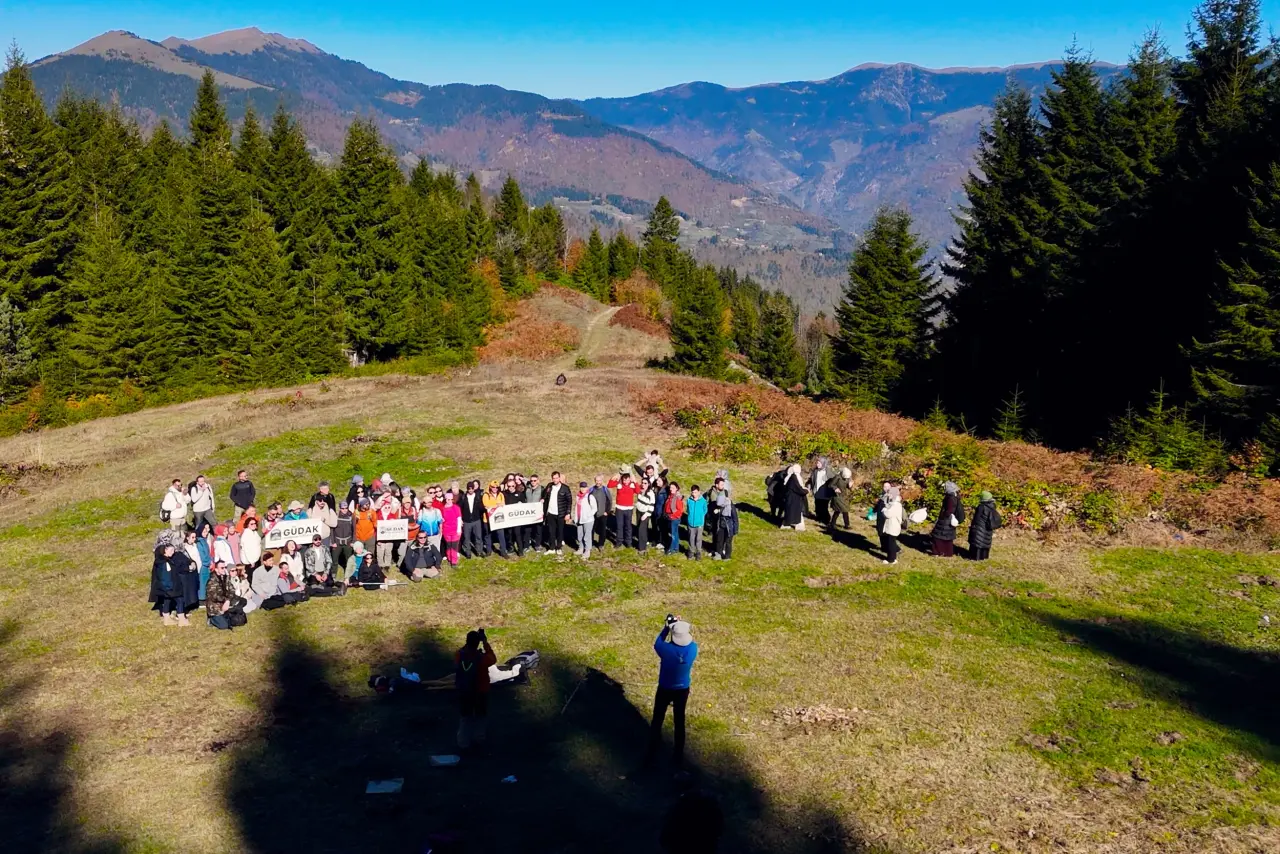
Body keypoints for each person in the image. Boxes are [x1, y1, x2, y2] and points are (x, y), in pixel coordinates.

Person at [646, 614, 698, 770]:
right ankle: (678, 754)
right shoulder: (693, 648)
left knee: (658, 718)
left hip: (665, 688)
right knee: (679, 720)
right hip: (682, 689)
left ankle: (653, 748)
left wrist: (667, 627)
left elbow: (657, 642)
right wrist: (676, 625)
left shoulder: (666, 649)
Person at [455, 628, 499, 754]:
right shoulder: (482, 659)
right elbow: (493, 658)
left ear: (466, 641)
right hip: (481, 692)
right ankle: (478, 740)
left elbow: (460, 653)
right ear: (478, 643)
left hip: (465, 692)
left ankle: (462, 743)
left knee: (465, 718)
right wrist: (485, 642)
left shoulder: (459, 655)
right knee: (480, 716)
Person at [149, 544, 188, 627]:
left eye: (173, 550)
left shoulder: (160, 561)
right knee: (180, 600)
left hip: (165, 588)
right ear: (165, 551)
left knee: (167, 600)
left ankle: (167, 619)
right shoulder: (165, 562)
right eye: (171, 551)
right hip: (170, 587)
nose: (173, 552)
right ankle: (182, 620)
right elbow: (166, 577)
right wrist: (170, 588)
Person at [204, 560, 248, 629]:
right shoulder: (212, 581)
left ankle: (230, 612)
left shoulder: (226, 577)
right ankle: (211, 619)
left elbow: (232, 590)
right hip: (216, 606)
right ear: (216, 569)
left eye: (225, 567)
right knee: (224, 626)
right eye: (222, 568)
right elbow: (214, 597)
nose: (224, 569)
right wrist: (226, 601)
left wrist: (228, 600)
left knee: (243, 601)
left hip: (226, 602)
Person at [931, 481, 964, 557]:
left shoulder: (950, 498)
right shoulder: (954, 496)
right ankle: (948, 553)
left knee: (937, 536)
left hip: (946, 520)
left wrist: (943, 516)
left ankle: (938, 552)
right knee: (947, 538)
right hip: (949, 519)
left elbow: (949, 510)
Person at [543, 471, 572, 556]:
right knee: (551, 531)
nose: (555, 480)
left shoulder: (565, 488)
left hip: (560, 513)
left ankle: (558, 548)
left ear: (559, 478)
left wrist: (568, 513)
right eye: (553, 478)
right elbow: (545, 495)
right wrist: (543, 499)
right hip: (550, 513)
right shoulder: (549, 486)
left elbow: (569, 501)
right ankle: (552, 548)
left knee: (560, 531)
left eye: (556, 478)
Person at [608, 470, 638, 549]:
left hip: (629, 509)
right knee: (619, 526)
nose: (626, 481)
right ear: (622, 479)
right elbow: (609, 484)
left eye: (627, 479)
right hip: (619, 509)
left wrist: (634, 481)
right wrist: (619, 473)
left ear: (630, 479)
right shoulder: (619, 484)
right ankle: (619, 542)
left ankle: (628, 542)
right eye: (624, 479)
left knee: (628, 526)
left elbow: (638, 491)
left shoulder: (632, 485)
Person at [968, 491, 1002, 560]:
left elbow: (976, 519)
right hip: (987, 528)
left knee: (978, 541)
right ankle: (984, 556)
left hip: (980, 528)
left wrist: (973, 527)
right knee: (985, 541)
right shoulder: (992, 506)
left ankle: (976, 557)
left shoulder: (981, 507)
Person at [460, 481, 488, 559]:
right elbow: (459, 509)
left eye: (472, 488)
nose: (471, 490)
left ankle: (479, 551)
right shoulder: (463, 497)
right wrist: (461, 519)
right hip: (466, 521)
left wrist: (485, 508)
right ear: (467, 489)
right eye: (469, 489)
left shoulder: (478, 497)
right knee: (466, 537)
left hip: (477, 520)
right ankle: (468, 552)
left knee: (478, 536)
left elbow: (481, 507)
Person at [482, 480, 509, 559]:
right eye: (493, 487)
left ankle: (503, 552)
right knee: (487, 535)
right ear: (490, 487)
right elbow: (486, 505)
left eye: (496, 487)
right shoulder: (486, 495)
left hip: (498, 519)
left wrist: (498, 505)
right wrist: (497, 505)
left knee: (501, 535)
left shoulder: (501, 495)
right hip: (487, 519)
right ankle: (488, 550)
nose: (495, 488)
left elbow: (503, 504)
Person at [712, 478, 737, 560]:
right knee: (719, 539)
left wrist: (735, 529)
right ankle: (718, 554)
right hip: (721, 523)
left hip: (728, 525)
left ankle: (727, 556)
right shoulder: (717, 498)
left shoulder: (730, 505)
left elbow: (735, 518)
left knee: (728, 541)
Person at [573, 481, 598, 559]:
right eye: (581, 487)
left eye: (584, 487)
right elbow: (576, 507)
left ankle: (587, 551)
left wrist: (589, 515)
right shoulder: (578, 496)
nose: (583, 489)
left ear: (587, 488)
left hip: (588, 520)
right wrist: (575, 517)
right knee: (580, 535)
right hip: (579, 519)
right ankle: (581, 548)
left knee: (587, 536)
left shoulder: (590, 496)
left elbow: (594, 508)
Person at [880, 486, 904, 566]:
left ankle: (892, 559)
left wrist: (884, 510)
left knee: (891, 544)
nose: (888, 495)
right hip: (891, 526)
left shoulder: (896, 505)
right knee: (890, 542)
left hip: (893, 527)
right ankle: (890, 557)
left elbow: (888, 514)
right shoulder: (893, 503)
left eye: (890, 493)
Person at [192, 521, 214, 605]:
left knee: (206, 581)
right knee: (203, 583)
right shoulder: (199, 542)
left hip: (207, 564)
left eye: (206, 531)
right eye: (204, 532)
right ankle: (201, 600)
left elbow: (208, 553)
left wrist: (211, 560)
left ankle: (205, 597)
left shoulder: (203, 541)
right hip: (204, 566)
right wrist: (208, 562)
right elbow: (203, 555)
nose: (206, 533)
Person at [522, 474, 544, 555]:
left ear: (538, 480)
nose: (533, 482)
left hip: (538, 513)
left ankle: (537, 545)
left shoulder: (542, 489)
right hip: (528, 513)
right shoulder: (527, 489)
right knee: (527, 530)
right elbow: (524, 498)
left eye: (535, 480)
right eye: (531, 480)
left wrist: (543, 500)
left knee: (538, 530)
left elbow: (545, 498)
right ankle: (526, 546)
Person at [588, 475, 612, 551]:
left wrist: (607, 511)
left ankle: (601, 544)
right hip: (593, 514)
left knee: (602, 530)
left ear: (602, 481)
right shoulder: (591, 490)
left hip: (603, 513)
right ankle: (590, 544)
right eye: (596, 481)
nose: (598, 482)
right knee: (591, 529)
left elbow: (609, 501)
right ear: (595, 481)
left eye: (599, 480)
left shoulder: (605, 490)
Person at [782, 463, 808, 531]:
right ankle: (798, 526)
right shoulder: (794, 477)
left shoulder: (792, 476)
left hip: (792, 498)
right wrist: (805, 491)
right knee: (796, 513)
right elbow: (798, 488)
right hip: (794, 499)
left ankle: (786, 524)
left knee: (790, 513)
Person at [685, 485, 707, 560]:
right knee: (691, 538)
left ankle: (698, 552)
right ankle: (691, 551)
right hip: (691, 523)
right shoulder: (689, 500)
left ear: (699, 492)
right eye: (692, 492)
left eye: (695, 492)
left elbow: (705, 510)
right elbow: (687, 510)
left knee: (698, 539)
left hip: (699, 524)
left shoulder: (703, 501)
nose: (694, 494)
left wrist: (701, 517)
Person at [635, 479, 657, 554]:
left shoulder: (651, 493)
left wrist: (646, 514)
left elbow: (651, 506)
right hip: (638, 511)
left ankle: (642, 549)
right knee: (639, 528)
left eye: (645, 483)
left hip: (645, 513)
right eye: (642, 483)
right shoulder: (640, 491)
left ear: (648, 484)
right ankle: (643, 543)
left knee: (642, 529)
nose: (643, 484)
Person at [441, 490, 463, 567]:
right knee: (448, 545)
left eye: (451, 499)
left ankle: (454, 561)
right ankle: (449, 557)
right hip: (446, 531)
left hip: (455, 531)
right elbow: (442, 519)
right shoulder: (443, 509)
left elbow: (459, 519)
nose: (449, 501)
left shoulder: (456, 508)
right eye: (448, 499)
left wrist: (459, 530)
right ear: (445, 499)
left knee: (454, 546)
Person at [663, 482, 685, 556]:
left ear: (676, 488)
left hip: (674, 518)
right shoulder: (671, 496)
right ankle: (676, 548)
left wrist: (672, 516)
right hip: (670, 517)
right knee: (675, 533)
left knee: (673, 534)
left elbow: (680, 510)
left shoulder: (677, 498)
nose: (670, 489)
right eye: (670, 487)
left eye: (673, 488)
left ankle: (671, 549)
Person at [828, 466, 853, 531]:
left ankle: (845, 524)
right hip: (837, 496)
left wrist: (850, 485)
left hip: (843, 496)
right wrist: (835, 488)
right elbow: (830, 485)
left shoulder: (847, 477)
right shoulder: (837, 477)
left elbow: (846, 486)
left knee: (843, 510)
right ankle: (835, 524)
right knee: (840, 510)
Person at [808, 457, 831, 524]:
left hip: (825, 492)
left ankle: (826, 519)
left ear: (823, 463)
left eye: (819, 463)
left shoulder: (827, 471)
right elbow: (811, 479)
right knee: (817, 506)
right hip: (817, 491)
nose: (817, 464)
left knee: (824, 507)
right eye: (817, 463)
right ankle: (819, 517)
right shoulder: (815, 471)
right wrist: (809, 485)